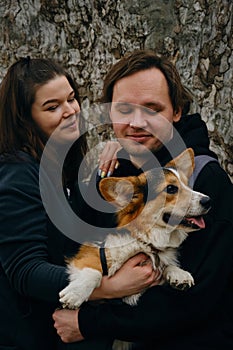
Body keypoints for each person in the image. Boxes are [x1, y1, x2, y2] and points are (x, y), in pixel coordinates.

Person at [53, 49, 233, 349]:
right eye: (124, 109)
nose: (137, 122)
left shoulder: (206, 180)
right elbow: (73, 246)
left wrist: (89, 323)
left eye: (152, 109)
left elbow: (200, 299)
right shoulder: (122, 173)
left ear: (176, 111)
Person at [0, 57, 160, 350]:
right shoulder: (17, 174)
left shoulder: (58, 165)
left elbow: (83, 229)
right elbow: (26, 271)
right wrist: (108, 287)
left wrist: (120, 155)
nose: (70, 112)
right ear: (25, 117)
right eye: (52, 107)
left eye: (71, 99)